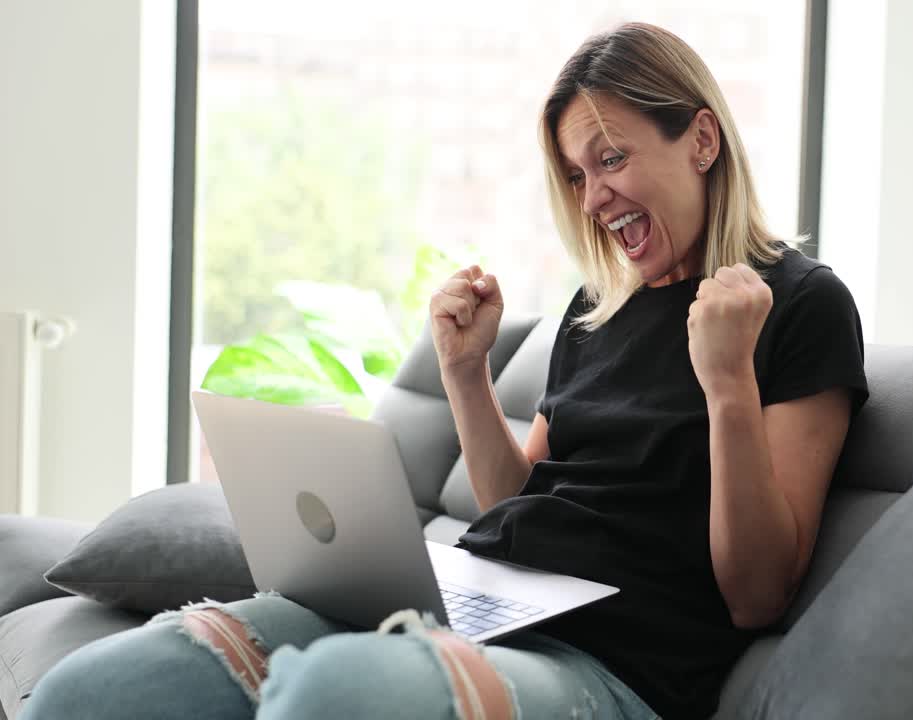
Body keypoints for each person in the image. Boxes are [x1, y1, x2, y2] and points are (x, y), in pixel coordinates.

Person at [24, 21, 867, 720]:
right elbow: (519, 503)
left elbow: (758, 594)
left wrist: (727, 383)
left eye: (610, 160)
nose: (592, 199)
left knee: (335, 695)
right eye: (576, 175)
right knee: (89, 692)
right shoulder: (595, 310)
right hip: (476, 609)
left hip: (613, 662)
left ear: (703, 140)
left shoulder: (797, 306)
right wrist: (468, 374)